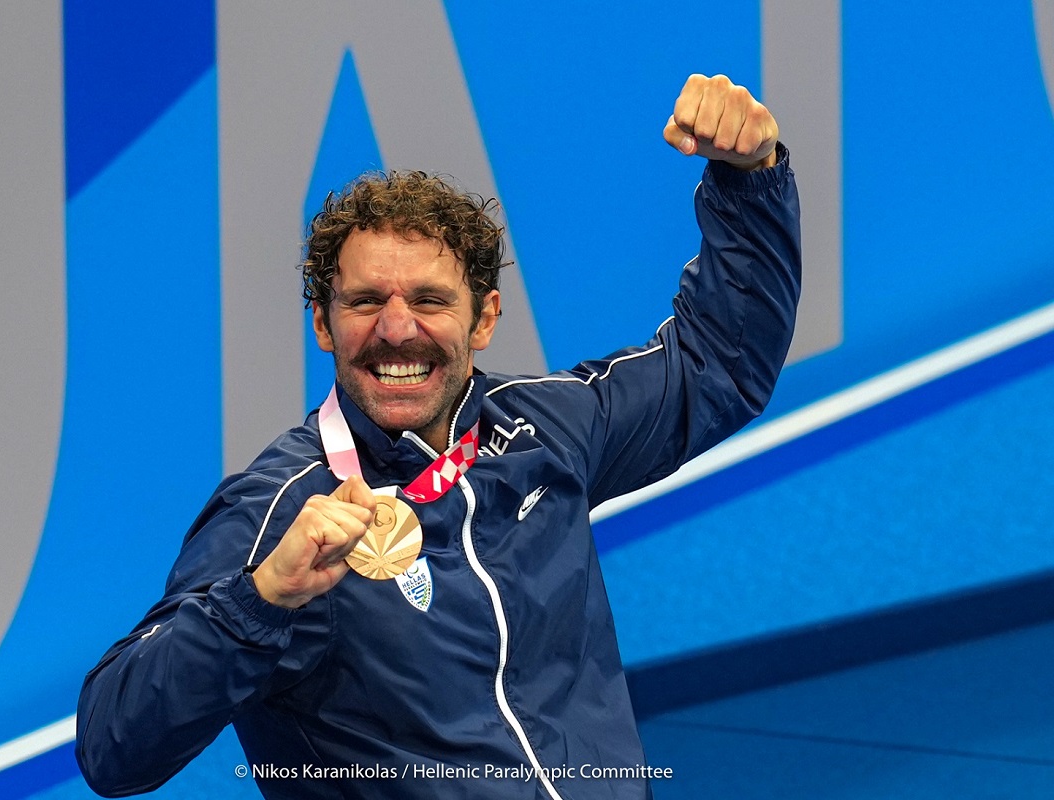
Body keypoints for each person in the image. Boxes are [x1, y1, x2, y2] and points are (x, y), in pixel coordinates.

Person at [76, 73, 801, 800]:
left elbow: (717, 363)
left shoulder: (543, 430)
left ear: (483, 320)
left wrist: (749, 180)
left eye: (429, 300)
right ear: (324, 324)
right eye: (364, 302)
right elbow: (113, 746)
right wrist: (260, 600)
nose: (396, 329)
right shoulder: (280, 511)